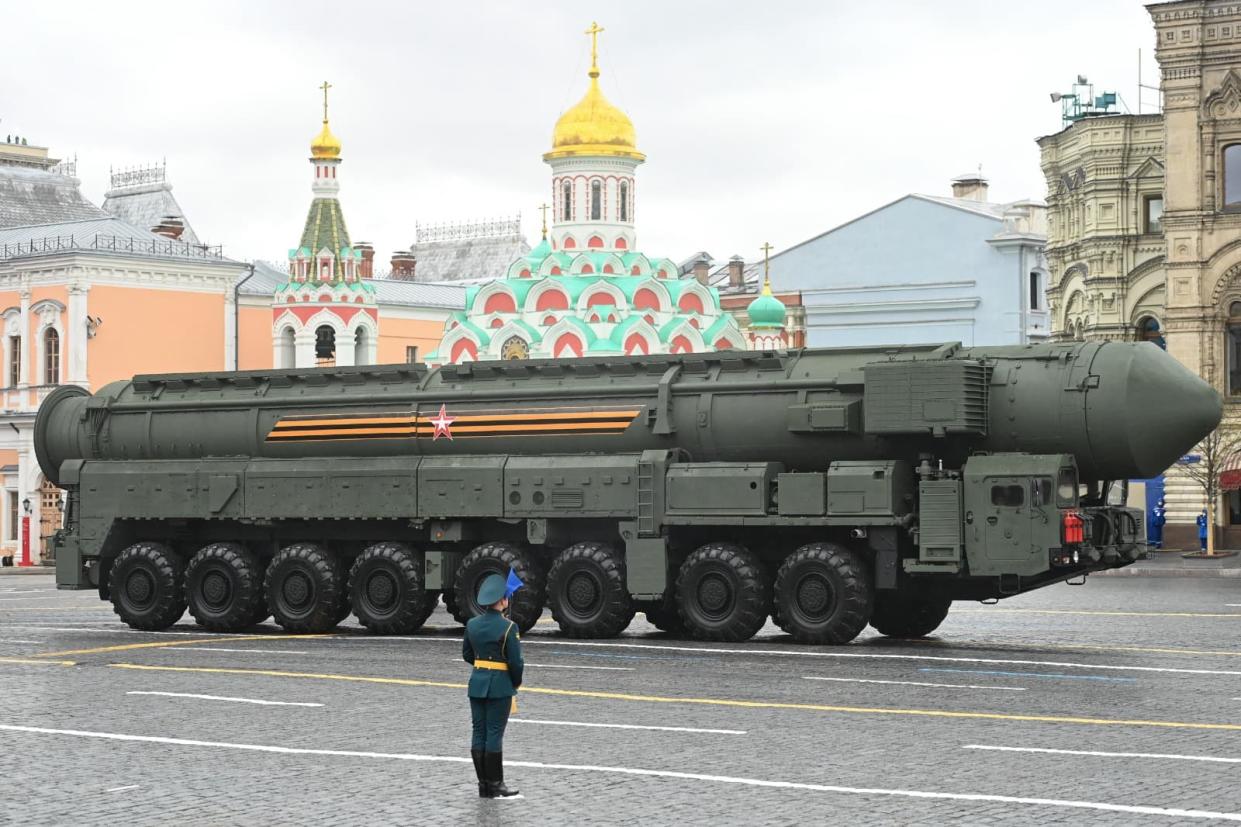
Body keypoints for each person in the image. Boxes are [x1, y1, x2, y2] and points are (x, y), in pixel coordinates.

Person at [463, 573, 524, 799]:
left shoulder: (472, 624)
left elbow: (467, 654)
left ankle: (484, 785)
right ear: (502, 601)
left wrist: (482, 668)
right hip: (500, 686)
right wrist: (513, 681)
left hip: (477, 685)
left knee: (478, 732)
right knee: (494, 734)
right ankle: (497, 784)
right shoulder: (509, 627)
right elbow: (516, 662)